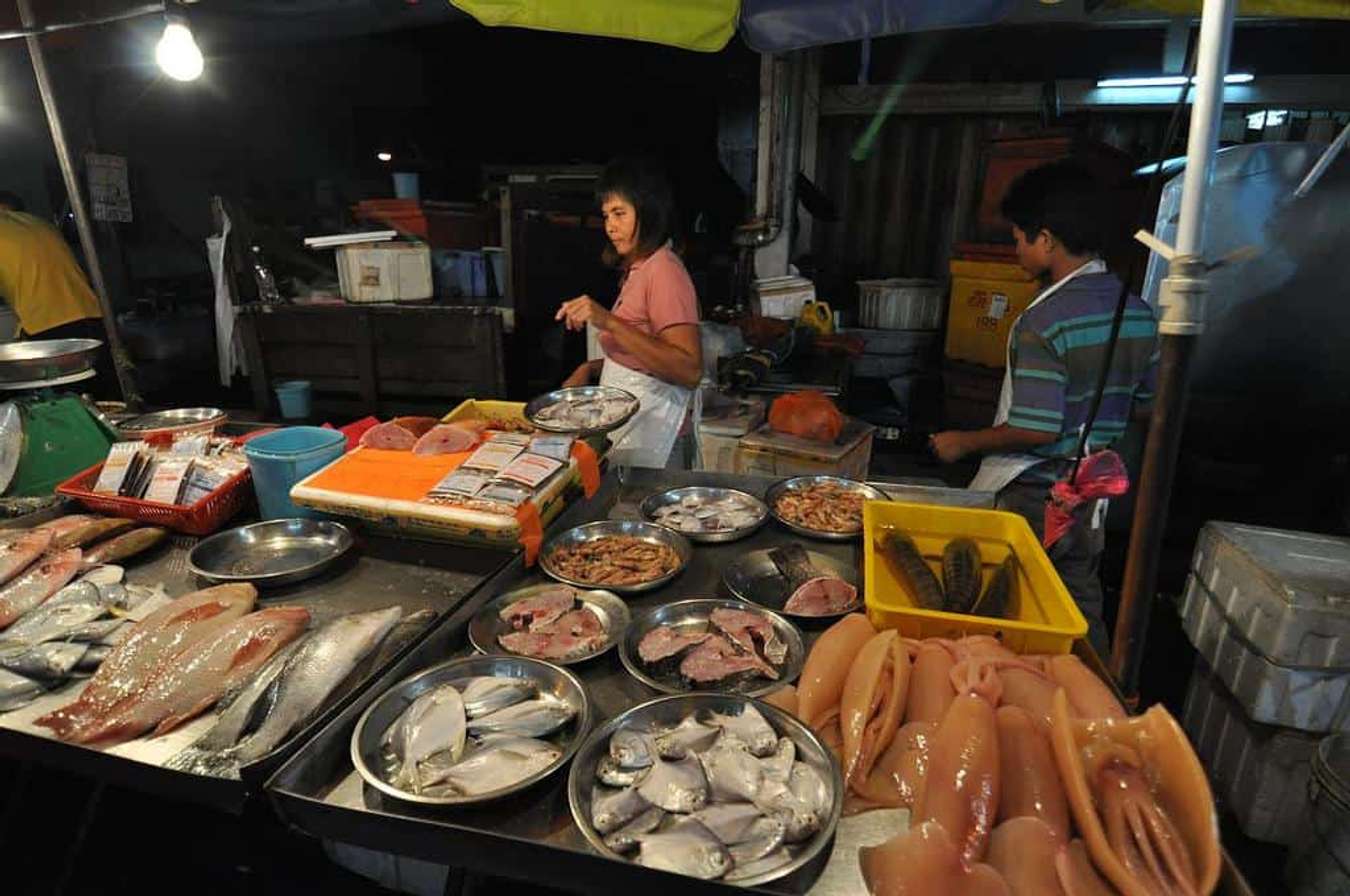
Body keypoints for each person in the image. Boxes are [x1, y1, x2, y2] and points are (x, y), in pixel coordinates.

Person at [929, 161, 1158, 654]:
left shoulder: (1044, 321)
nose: (1016, 251)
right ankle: (1100, 709)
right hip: (1093, 495)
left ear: (1047, 240)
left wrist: (962, 442)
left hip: (1036, 496)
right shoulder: (1137, 313)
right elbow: (1145, 406)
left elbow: (1035, 428)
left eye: (1018, 240)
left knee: (1002, 612)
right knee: (1077, 608)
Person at [556, 158, 703, 469]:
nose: (610, 226)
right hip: (636, 429)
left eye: (620, 213)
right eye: (607, 215)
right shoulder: (638, 269)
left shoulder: (664, 271)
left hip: (661, 439)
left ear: (648, 212)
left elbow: (689, 370)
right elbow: (640, 355)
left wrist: (608, 320)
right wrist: (590, 368)